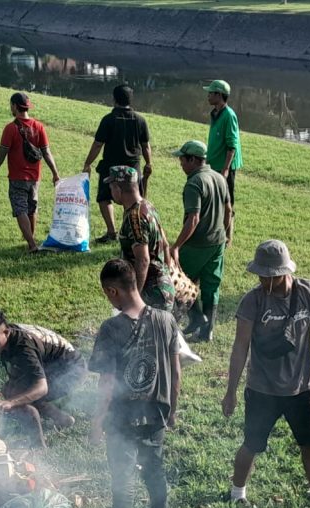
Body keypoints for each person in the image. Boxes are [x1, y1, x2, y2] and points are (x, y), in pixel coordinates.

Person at [221, 240, 310, 508]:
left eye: (268, 276)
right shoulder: (252, 301)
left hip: (301, 388)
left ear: (283, 273)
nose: (263, 281)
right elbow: (240, 347)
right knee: (251, 444)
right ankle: (237, 495)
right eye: (260, 275)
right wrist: (231, 392)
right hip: (262, 389)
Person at [89, 259, 181, 508]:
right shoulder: (166, 319)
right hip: (156, 414)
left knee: (123, 481)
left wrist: (97, 420)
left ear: (112, 291)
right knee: (155, 471)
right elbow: (176, 372)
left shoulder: (111, 328)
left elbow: (107, 383)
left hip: (122, 419)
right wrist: (172, 410)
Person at [0, 310, 85, 449]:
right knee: (10, 390)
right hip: (51, 366)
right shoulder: (8, 337)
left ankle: (38, 446)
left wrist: (11, 402)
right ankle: (62, 419)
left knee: (25, 397)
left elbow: (41, 388)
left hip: (71, 371)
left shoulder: (24, 349)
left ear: (6, 332)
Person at [168, 140, 230, 342]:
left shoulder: (194, 183)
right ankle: (206, 331)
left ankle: (195, 318)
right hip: (218, 242)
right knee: (212, 287)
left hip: (197, 244)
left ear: (193, 160)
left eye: (182, 159)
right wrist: (227, 234)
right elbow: (228, 210)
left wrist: (176, 246)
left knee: (178, 281)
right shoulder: (219, 178)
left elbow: (193, 218)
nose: (180, 163)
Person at [0, 92, 60, 253]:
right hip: (35, 178)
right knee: (31, 209)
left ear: (15, 106)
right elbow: (46, 152)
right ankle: (31, 239)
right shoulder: (39, 127)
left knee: (20, 209)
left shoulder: (10, 128)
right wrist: (55, 173)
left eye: (11, 105)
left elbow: (2, 152)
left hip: (17, 177)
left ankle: (32, 245)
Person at [81, 84, 153, 244]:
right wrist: (149, 163)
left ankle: (111, 232)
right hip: (133, 167)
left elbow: (98, 144)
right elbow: (145, 145)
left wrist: (87, 163)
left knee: (104, 197)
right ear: (131, 100)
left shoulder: (108, 119)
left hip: (110, 166)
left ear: (114, 99)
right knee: (134, 199)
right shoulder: (140, 120)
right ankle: (131, 230)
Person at [105, 166, 174, 312]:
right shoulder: (147, 206)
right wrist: (166, 278)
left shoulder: (134, 218)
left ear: (118, 188)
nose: (111, 192)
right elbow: (166, 245)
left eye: (111, 187)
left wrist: (133, 301)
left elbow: (143, 260)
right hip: (162, 288)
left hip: (152, 294)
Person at [204, 79, 241, 244]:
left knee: (227, 201)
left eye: (210, 93)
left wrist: (226, 169)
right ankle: (216, 232)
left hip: (225, 167)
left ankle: (227, 239)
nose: (208, 96)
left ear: (219, 95)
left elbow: (232, 145)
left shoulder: (229, 115)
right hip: (214, 164)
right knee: (215, 199)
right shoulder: (215, 113)